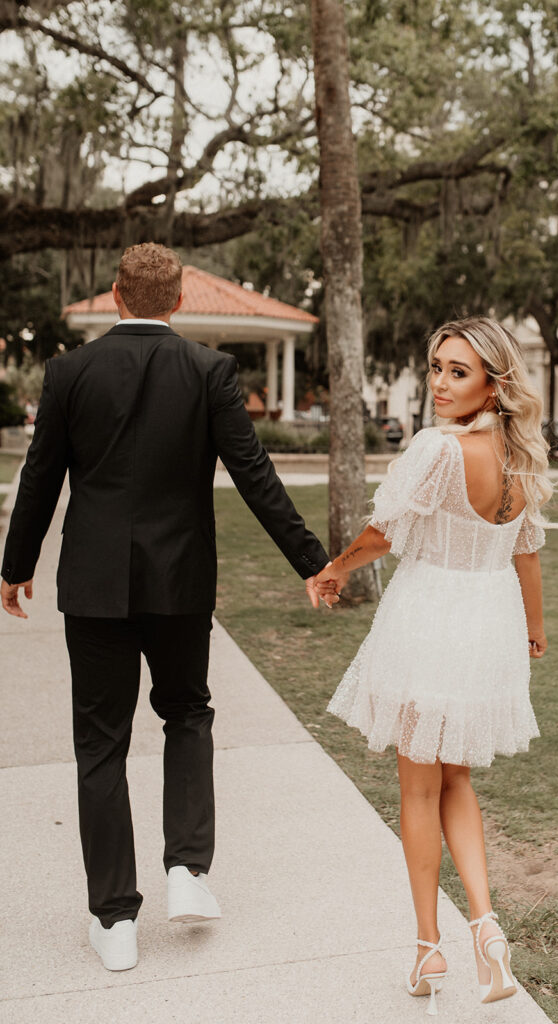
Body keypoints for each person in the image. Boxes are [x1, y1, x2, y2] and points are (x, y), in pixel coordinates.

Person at [0, 243, 329, 972]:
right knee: (186, 714)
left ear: (116, 296)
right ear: (179, 301)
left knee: (101, 745)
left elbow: (41, 479)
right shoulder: (210, 371)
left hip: (93, 587)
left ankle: (114, 920)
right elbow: (255, 475)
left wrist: (13, 567)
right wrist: (312, 562)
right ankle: (188, 870)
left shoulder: (69, 372)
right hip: (180, 584)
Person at [314, 316, 551, 1014]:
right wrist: (535, 629)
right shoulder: (518, 454)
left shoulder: (440, 449)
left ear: (492, 383)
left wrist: (333, 570)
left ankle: (428, 944)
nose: (441, 384)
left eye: (458, 371)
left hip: (429, 620)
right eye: (437, 368)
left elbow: (386, 532)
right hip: (489, 622)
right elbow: (527, 550)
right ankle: (485, 925)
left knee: (419, 788)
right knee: (458, 781)